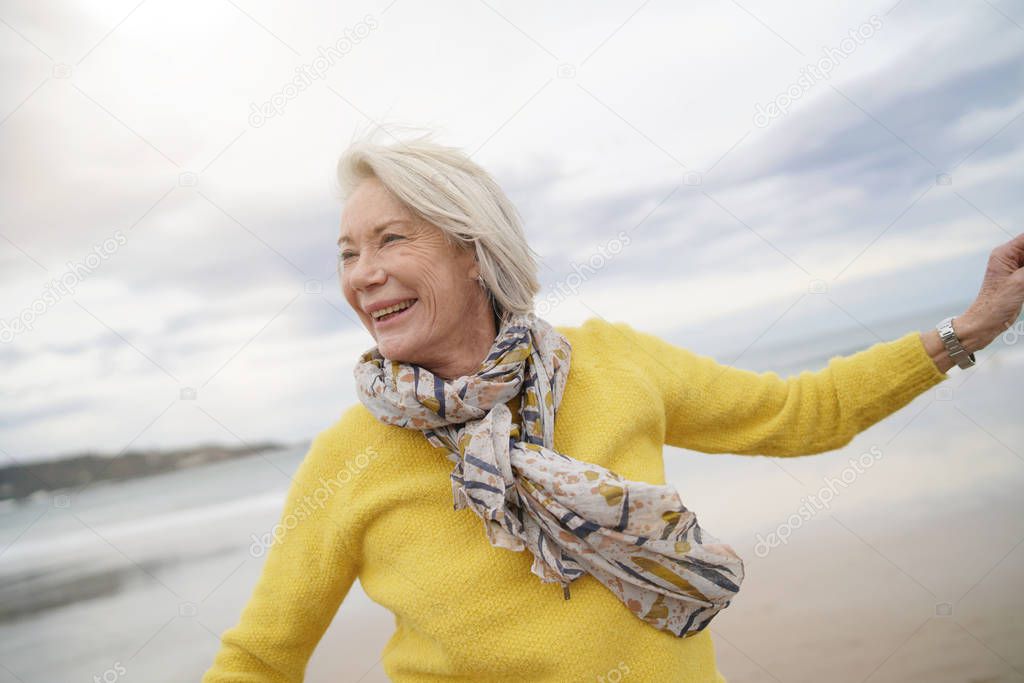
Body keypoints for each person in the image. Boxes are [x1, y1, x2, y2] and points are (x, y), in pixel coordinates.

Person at [202, 127, 1024, 682]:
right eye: (347, 254)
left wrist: (971, 326)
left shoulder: (613, 363)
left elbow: (801, 411)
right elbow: (259, 657)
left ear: (473, 251)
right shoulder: (350, 455)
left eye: (391, 240)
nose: (361, 274)